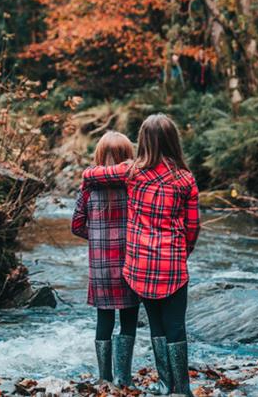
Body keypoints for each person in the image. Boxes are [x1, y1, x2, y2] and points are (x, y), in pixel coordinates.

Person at [81, 114, 200, 397]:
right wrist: (182, 253)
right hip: (172, 264)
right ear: (174, 141)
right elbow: (192, 228)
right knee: (175, 325)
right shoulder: (186, 179)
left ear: (143, 141)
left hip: (141, 266)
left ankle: (163, 384)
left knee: (157, 325)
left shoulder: (131, 171)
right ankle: (181, 389)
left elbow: (90, 174)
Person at [71, 131, 139, 387]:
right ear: (128, 156)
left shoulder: (88, 188)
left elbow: (76, 225)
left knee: (104, 319)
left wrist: (98, 238)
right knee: (129, 319)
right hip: (131, 263)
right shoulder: (133, 186)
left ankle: (104, 377)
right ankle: (124, 378)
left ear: (99, 156)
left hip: (100, 267)